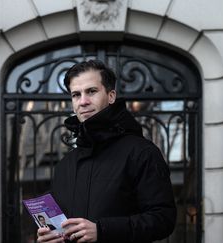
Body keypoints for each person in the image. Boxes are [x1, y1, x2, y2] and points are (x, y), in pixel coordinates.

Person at [37, 60, 176, 243]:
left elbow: (163, 219)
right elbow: (62, 226)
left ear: (111, 96)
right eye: (76, 95)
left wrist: (102, 231)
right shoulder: (66, 164)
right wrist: (50, 237)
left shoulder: (142, 152)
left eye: (92, 91)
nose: (83, 101)